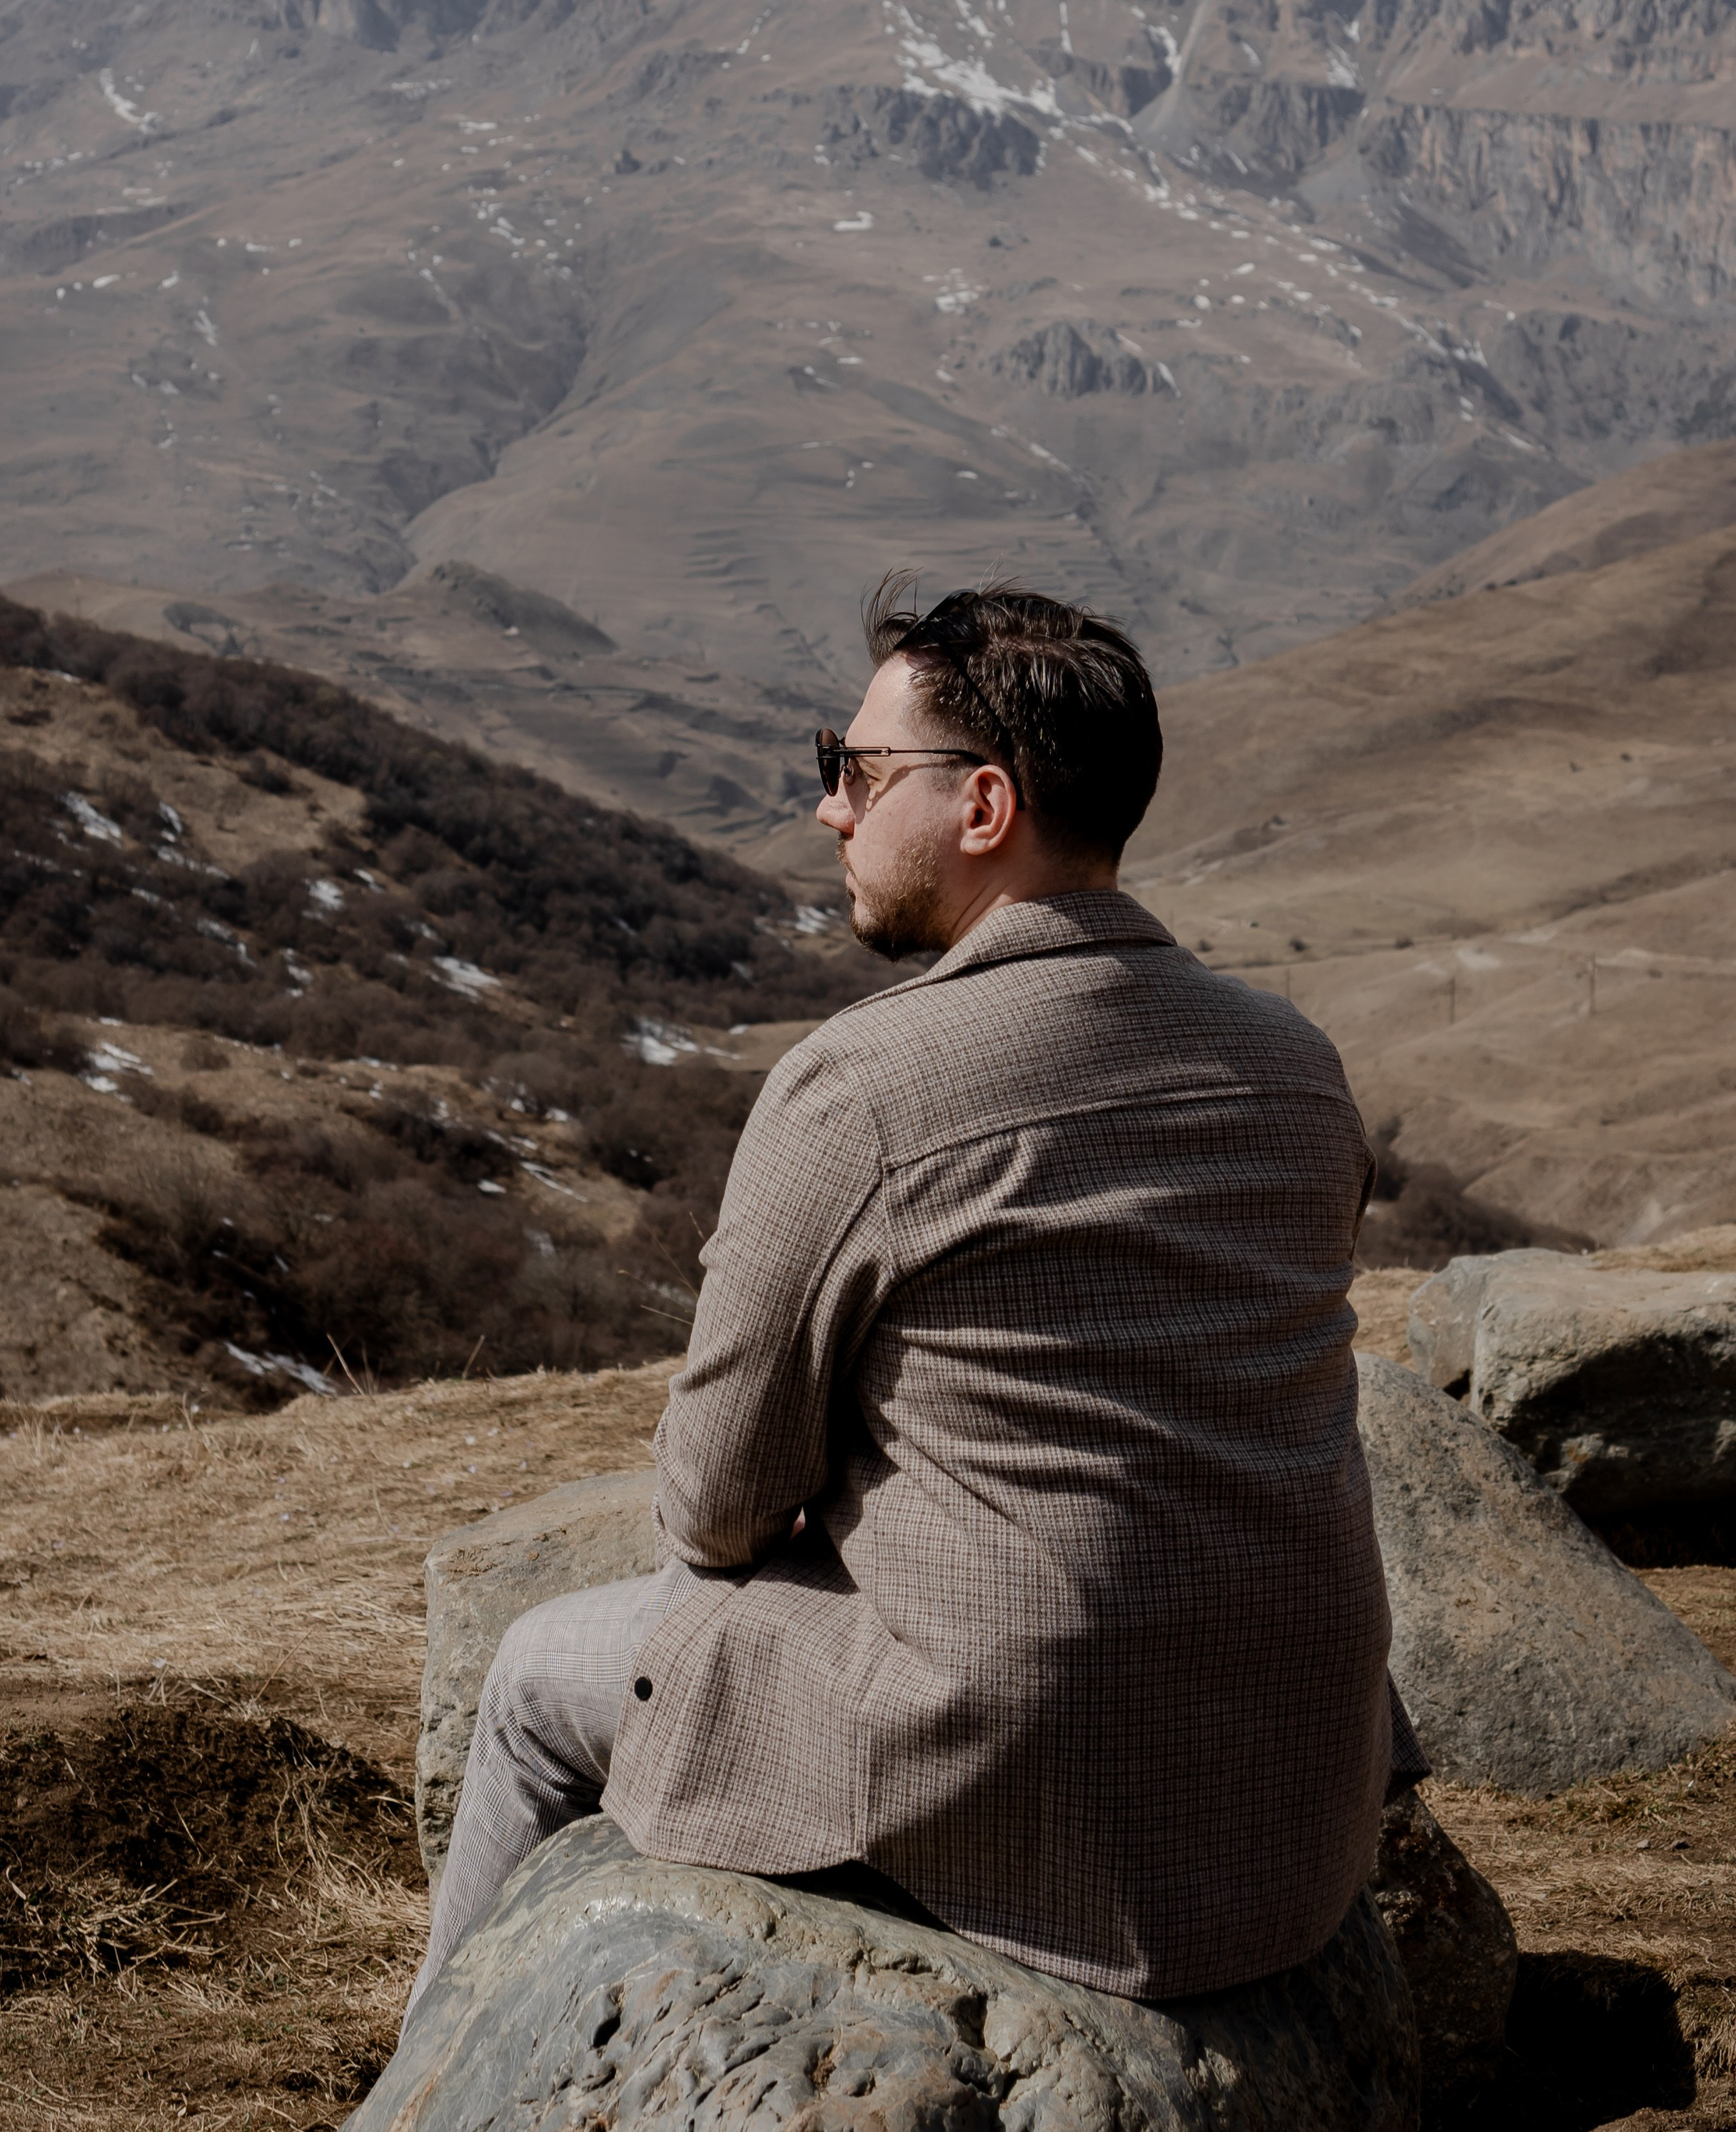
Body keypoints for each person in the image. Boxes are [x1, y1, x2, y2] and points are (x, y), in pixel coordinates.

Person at [408, 580, 1421, 2021]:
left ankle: (436, 2094)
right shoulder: (1292, 1061)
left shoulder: (868, 1085)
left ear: (982, 805)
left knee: (528, 1677)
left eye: (853, 770)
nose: (829, 809)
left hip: (1029, 1780)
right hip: (1287, 1794)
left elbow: (712, 1503)